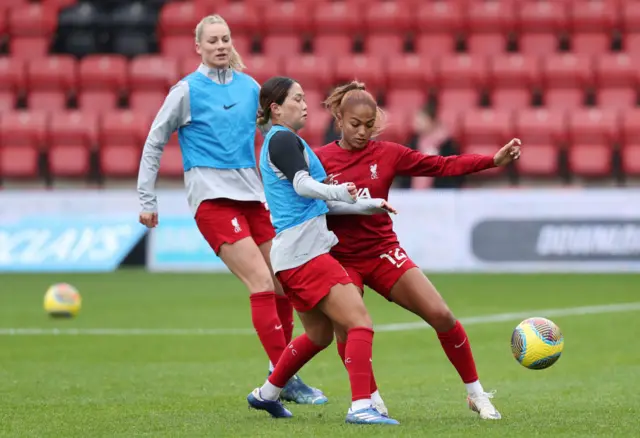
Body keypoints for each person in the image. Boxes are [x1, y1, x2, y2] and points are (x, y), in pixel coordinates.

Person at [136, 14, 326, 405]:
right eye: (213, 41)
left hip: (252, 198)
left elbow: (276, 136)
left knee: (283, 284)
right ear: (199, 47)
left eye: (225, 39)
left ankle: (283, 375)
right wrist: (146, 199)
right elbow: (155, 141)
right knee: (260, 281)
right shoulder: (185, 91)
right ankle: (285, 379)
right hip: (212, 200)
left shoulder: (250, 87)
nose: (221, 46)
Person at [314, 81, 523, 420]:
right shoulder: (319, 160)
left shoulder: (388, 154)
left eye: (369, 125)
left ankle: (476, 394)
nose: (363, 132)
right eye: (355, 124)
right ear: (339, 118)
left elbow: (442, 165)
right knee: (350, 327)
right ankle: (370, 400)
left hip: (383, 252)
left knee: (441, 315)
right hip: (340, 258)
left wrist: (492, 161)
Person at [246, 76, 400, 425]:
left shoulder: (285, 141)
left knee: (318, 335)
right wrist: (340, 193)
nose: (304, 104)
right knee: (359, 321)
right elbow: (303, 187)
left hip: (292, 256)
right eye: (297, 98)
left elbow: (318, 205)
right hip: (306, 255)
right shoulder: (283, 139)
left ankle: (267, 394)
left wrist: (367, 205)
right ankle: (362, 407)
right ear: (276, 108)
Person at [403, 102, 465, 189]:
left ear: (431, 121)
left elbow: (456, 172)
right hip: (413, 194)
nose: (416, 123)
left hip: (441, 193)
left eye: (420, 120)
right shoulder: (413, 142)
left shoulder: (447, 143)